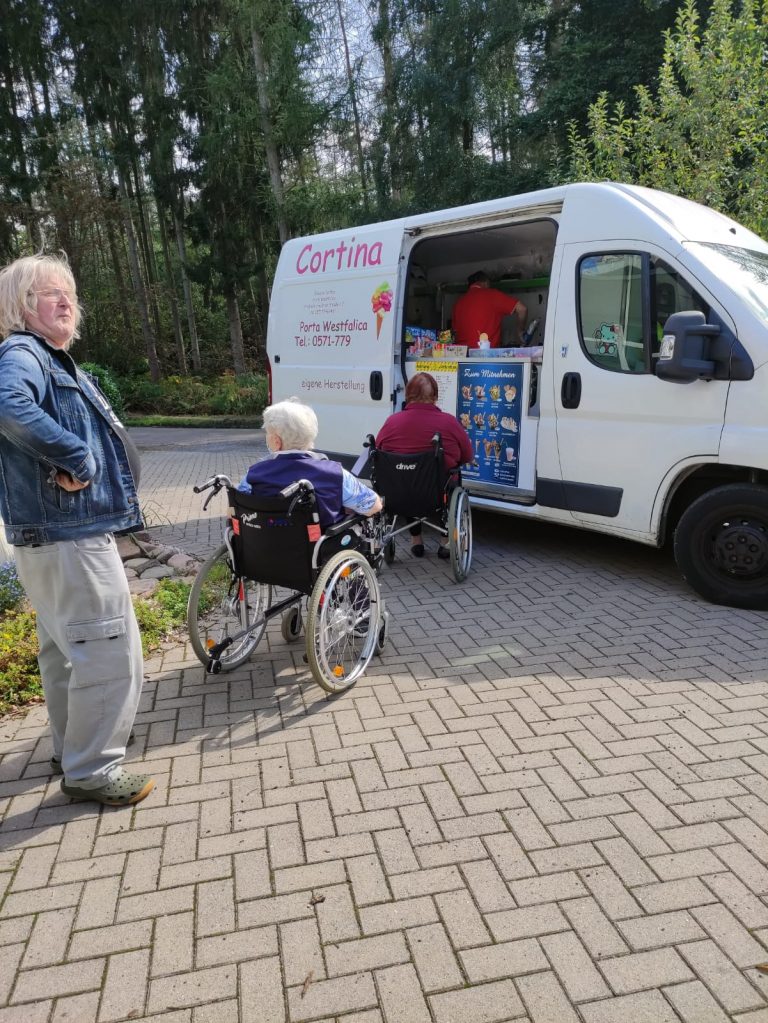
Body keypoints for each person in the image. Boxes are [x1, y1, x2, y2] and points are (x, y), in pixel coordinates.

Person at [0, 254, 153, 807]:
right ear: (22, 307)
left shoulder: (45, 356)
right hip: (69, 536)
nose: (66, 302)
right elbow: (7, 405)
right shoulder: (22, 352)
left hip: (54, 536)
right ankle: (92, 768)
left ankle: (72, 749)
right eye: (50, 294)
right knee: (109, 650)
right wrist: (78, 457)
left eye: (69, 293)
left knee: (66, 650)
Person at [240, 398, 383, 526]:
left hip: (264, 549)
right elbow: (374, 506)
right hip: (319, 552)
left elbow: (233, 511)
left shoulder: (254, 474)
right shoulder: (335, 473)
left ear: (276, 441)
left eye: (268, 434)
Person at [376, 372, 473, 558]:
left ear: (407, 396)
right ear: (435, 397)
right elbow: (467, 456)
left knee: (408, 475)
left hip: (399, 491)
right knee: (448, 480)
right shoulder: (449, 422)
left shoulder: (392, 422)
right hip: (437, 493)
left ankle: (416, 539)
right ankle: (445, 540)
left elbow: (379, 453)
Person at [452, 270, 527, 348]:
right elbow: (522, 309)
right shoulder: (492, 294)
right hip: (487, 356)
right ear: (486, 282)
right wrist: (520, 331)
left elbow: (454, 333)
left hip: (461, 357)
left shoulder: (458, 303)